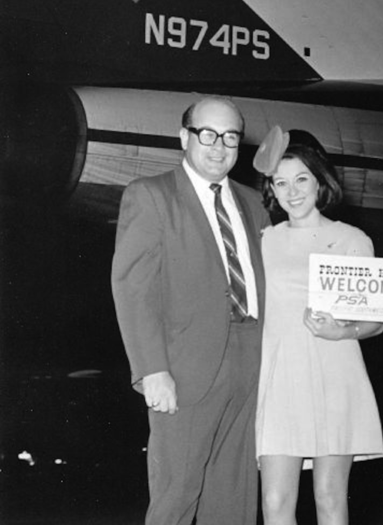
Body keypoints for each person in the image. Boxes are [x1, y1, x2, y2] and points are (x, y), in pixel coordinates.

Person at [111, 96, 270, 525]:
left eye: (231, 138)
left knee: (235, 499)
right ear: (184, 137)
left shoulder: (254, 203)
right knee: (176, 496)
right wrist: (151, 369)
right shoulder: (151, 195)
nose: (219, 147)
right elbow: (132, 289)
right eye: (208, 134)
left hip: (253, 360)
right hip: (185, 369)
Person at [252, 126, 383, 525]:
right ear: (271, 189)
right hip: (279, 379)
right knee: (275, 503)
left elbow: (376, 322)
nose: (292, 192)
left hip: (334, 373)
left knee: (329, 500)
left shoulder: (351, 240)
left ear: (319, 182)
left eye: (301, 180)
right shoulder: (262, 241)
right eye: (281, 182)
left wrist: (341, 331)